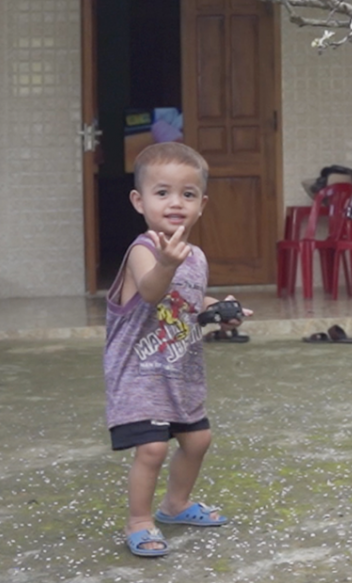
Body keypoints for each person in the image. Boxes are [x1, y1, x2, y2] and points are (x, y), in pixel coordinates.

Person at [104, 141, 248, 557]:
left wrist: (219, 311)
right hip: (140, 374)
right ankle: (139, 520)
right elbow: (152, 292)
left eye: (187, 194)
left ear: (202, 204)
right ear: (139, 201)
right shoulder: (143, 250)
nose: (175, 203)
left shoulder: (195, 256)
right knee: (152, 448)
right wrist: (167, 263)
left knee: (198, 440)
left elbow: (189, 301)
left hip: (180, 374)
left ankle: (176, 504)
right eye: (162, 192)